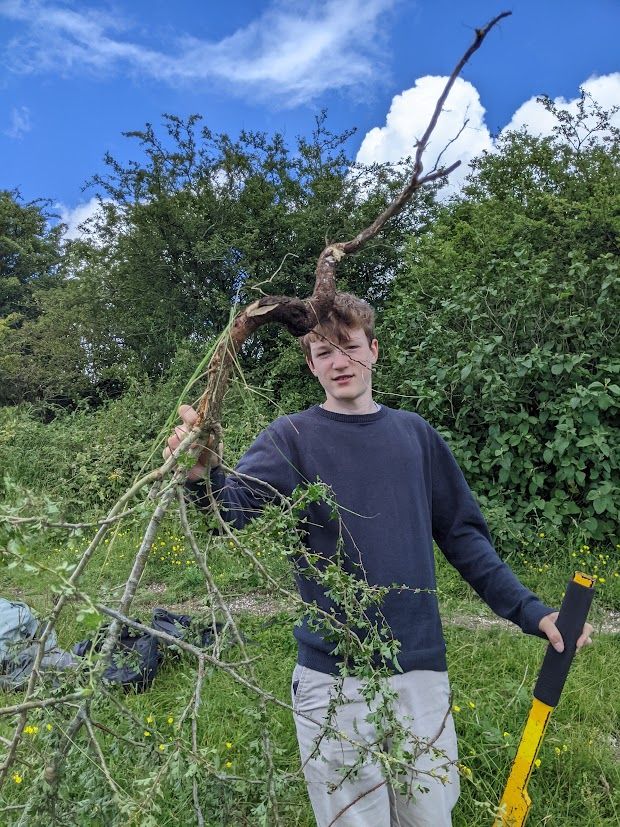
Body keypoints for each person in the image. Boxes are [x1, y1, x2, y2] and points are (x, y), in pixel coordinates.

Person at [165, 292, 593, 827]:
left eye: (347, 347)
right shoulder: (290, 439)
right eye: (323, 353)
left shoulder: (415, 436)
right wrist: (199, 475)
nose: (338, 361)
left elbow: (465, 539)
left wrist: (532, 612)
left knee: (429, 816)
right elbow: (231, 514)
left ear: (373, 350)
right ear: (310, 365)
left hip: (419, 674)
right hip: (333, 682)